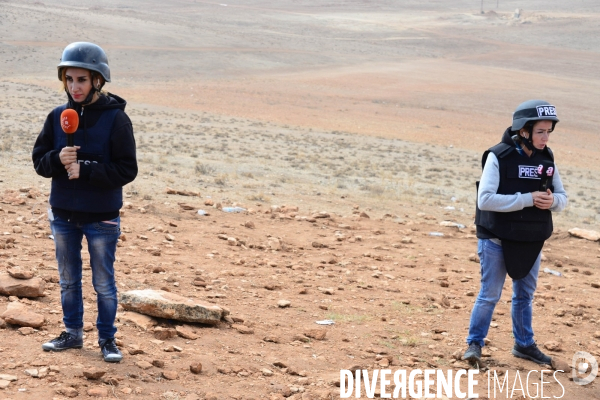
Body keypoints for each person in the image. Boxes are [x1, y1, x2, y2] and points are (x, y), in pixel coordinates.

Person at [32, 42, 137, 363]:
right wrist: (56, 158)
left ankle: (107, 339)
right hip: (63, 213)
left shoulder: (117, 120)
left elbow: (127, 169)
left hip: (102, 217)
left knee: (103, 282)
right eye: (69, 79)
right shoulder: (56, 117)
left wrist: (87, 169)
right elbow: (39, 161)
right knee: (68, 280)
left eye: (82, 80)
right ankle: (72, 334)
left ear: (97, 81)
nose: (74, 87)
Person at [463, 100, 568, 366]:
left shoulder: (547, 158)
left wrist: (552, 202)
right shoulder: (498, 156)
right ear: (524, 131)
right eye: (540, 131)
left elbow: (562, 197)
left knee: (525, 295)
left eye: (548, 131)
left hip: (531, 239)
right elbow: (485, 200)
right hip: (496, 238)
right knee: (490, 294)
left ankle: (524, 345)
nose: (545, 137)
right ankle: (474, 345)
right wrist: (528, 199)